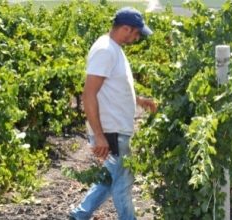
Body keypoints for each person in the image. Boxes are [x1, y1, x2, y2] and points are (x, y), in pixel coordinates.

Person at [69, 7, 157, 220]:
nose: (136, 38)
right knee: (123, 182)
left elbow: (114, 88)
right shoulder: (105, 51)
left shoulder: (113, 49)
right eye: (136, 33)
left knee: (109, 178)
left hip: (114, 129)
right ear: (125, 28)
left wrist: (140, 101)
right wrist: (99, 135)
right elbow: (89, 93)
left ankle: (79, 215)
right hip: (110, 131)